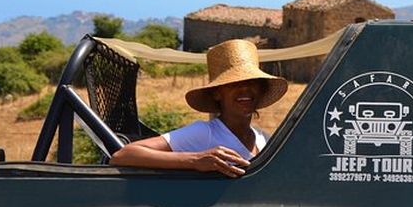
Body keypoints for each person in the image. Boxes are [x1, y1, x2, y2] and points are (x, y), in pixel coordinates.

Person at [110, 39, 288, 177]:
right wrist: (195, 159)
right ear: (217, 93)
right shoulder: (205, 133)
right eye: (234, 84)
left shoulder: (262, 139)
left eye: (252, 82)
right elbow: (124, 155)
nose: (245, 89)